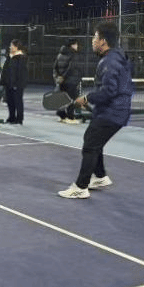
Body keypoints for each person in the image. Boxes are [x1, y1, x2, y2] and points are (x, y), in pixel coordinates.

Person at [58, 21, 134, 199]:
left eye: (95, 37)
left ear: (103, 41)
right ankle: (100, 177)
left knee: (90, 144)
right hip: (114, 110)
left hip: (113, 112)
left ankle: (80, 187)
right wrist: (91, 100)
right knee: (94, 141)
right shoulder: (116, 57)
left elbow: (109, 91)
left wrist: (87, 98)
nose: (92, 41)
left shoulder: (110, 61)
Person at [53, 38, 82, 123]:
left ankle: (62, 115)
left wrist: (57, 78)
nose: (77, 46)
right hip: (71, 80)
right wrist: (64, 76)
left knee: (63, 98)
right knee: (72, 98)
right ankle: (70, 117)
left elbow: (55, 67)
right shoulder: (73, 54)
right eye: (75, 44)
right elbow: (71, 68)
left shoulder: (60, 55)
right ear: (71, 45)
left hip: (62, 81)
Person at [0, 39, 28, 125]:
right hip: (9, 83)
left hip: (17, 84)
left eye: (11, 46)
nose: (10, 47)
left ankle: (19, 119)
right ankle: (11, 117)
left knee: (17, 101)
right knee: (10, 101)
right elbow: (5, 70)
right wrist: (3, 81)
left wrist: (17, 83)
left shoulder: (21, 58)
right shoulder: (9, 57)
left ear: (16, 47)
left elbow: (21, 72)